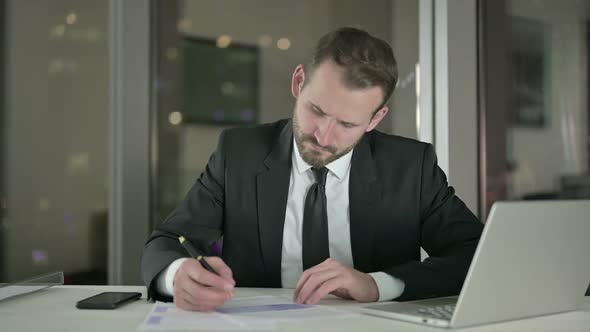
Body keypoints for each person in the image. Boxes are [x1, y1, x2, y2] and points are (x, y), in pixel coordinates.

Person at [141, 27, 483, 312]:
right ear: (299, 82)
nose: (323, 135)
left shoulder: (411, 168)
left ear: (376, 119)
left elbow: (475, 255)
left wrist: (376, 285)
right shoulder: (238, 154)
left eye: (347, 123)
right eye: (316, 110)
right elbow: (168, 241)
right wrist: (177, 275)